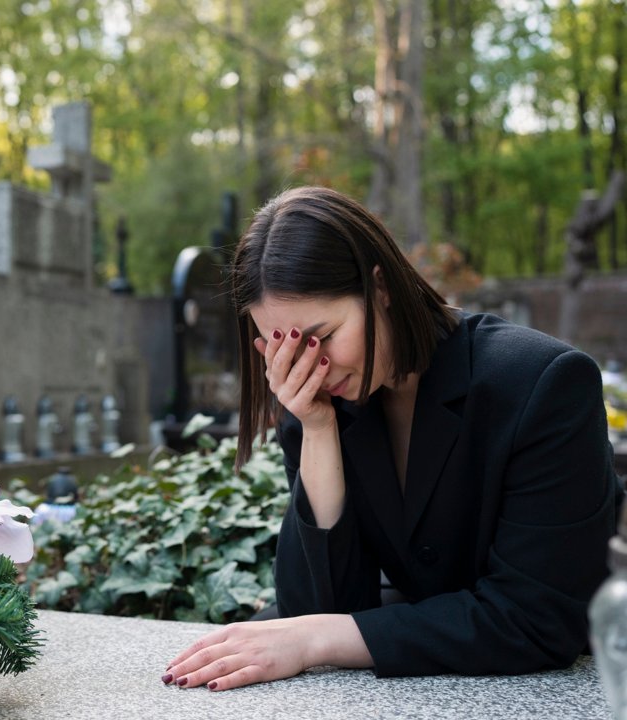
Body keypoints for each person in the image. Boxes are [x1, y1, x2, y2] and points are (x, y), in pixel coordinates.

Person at [163, 186, 622, 692]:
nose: (310, 366)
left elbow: (538, 620)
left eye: (323, 335)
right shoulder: (316, 400)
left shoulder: (541, 382)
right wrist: (318, 432)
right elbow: (314, 608)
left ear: (380, 288)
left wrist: (317, 639)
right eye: (285, 349)